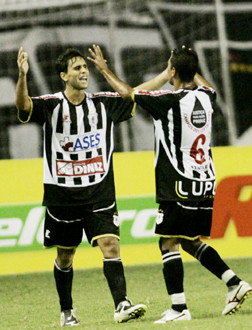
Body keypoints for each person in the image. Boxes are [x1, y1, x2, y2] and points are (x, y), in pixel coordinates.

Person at [87, 44, 252, 322]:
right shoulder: (207, 97)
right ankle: (234, 283)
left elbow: (128, 94)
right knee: (188, 241)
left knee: (167, 243)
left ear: (173, 71)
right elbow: (203, 83)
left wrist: (104, 70)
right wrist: (187, 66)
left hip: (178, 182)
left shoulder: (169, 102)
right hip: (205, 181)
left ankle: (179, 309)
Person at [15, 47, 147, 325]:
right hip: (62, 195)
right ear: (64, 76)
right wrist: (22, 75)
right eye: (77, 68)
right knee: (65, 255)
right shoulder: (52, 105)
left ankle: (121, 304)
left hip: (99, 192)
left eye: (84, 67)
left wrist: (105, 70)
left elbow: (133, 95)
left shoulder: (103, 103)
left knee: (110, 245)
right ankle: (67, 311)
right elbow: (24, 107)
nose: (83, 71)